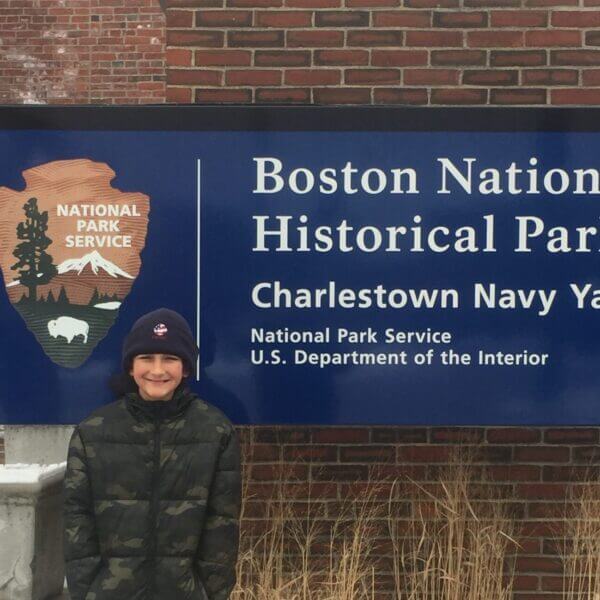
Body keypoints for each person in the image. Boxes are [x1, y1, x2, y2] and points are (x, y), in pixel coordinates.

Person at [63, 308, 241, 600]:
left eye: (169, 359)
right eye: (146, 358)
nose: (157, 370)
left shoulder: (215, 431)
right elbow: (77, 519)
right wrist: (89, 590)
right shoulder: (93, 431)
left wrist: (209, 592)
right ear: (131, 367)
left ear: (185, 368)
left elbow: (222, 522)